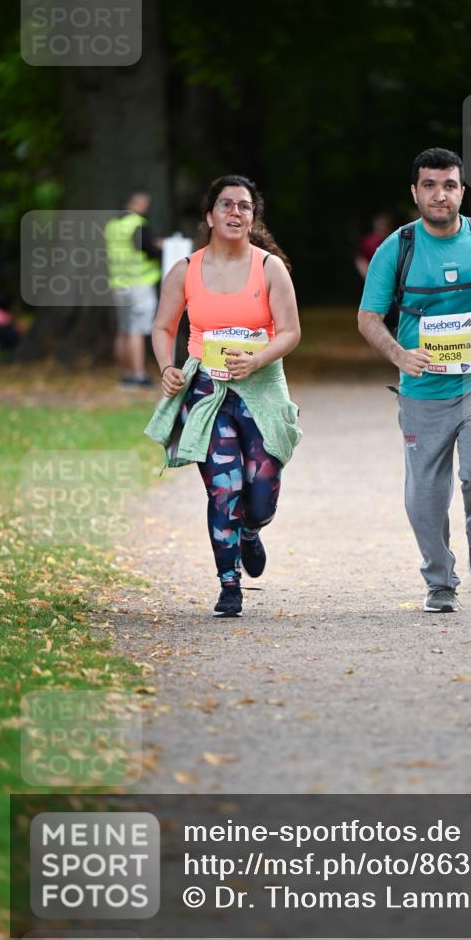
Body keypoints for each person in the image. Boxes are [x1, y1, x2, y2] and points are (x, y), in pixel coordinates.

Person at [358, 148, 471, 612]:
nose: (440, 195)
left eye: (450, 185)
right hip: (422, 391)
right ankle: (439, 581)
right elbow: (369, 317)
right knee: (425, 497)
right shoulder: (396, 249)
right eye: (430, 186)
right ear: (415, 192)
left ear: (463, 190)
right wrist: (400, 354)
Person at [145, 175, 302, 618]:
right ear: (210, 215)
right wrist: (168, 368)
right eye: (227, 205)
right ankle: (228, 584)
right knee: (222, 489)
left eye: (245, 207)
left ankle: (252, 531)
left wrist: (256, 360)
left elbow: (290, 332)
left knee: (260, 495)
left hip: (262, 388)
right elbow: (162, 327)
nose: (236, 213)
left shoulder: (270, 268)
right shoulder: (187, 270)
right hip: (207, 391)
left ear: (253, 218)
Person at [104, 190, 163, 386]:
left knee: (123, 330)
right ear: (137, 202)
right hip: (139, 283)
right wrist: (161, 247)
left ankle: (126, 374)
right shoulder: (137, 224)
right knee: (137, 330)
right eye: (145, 203)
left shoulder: (113, 226)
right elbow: (150, 251)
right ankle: (138, 375)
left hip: (118, 283)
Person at [354, 213, 392, 280]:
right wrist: (368, 276)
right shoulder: (368, 242)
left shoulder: (393, 241)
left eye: (385, 226)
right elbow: (360, 259)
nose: (383, 228)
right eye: (380, 225)